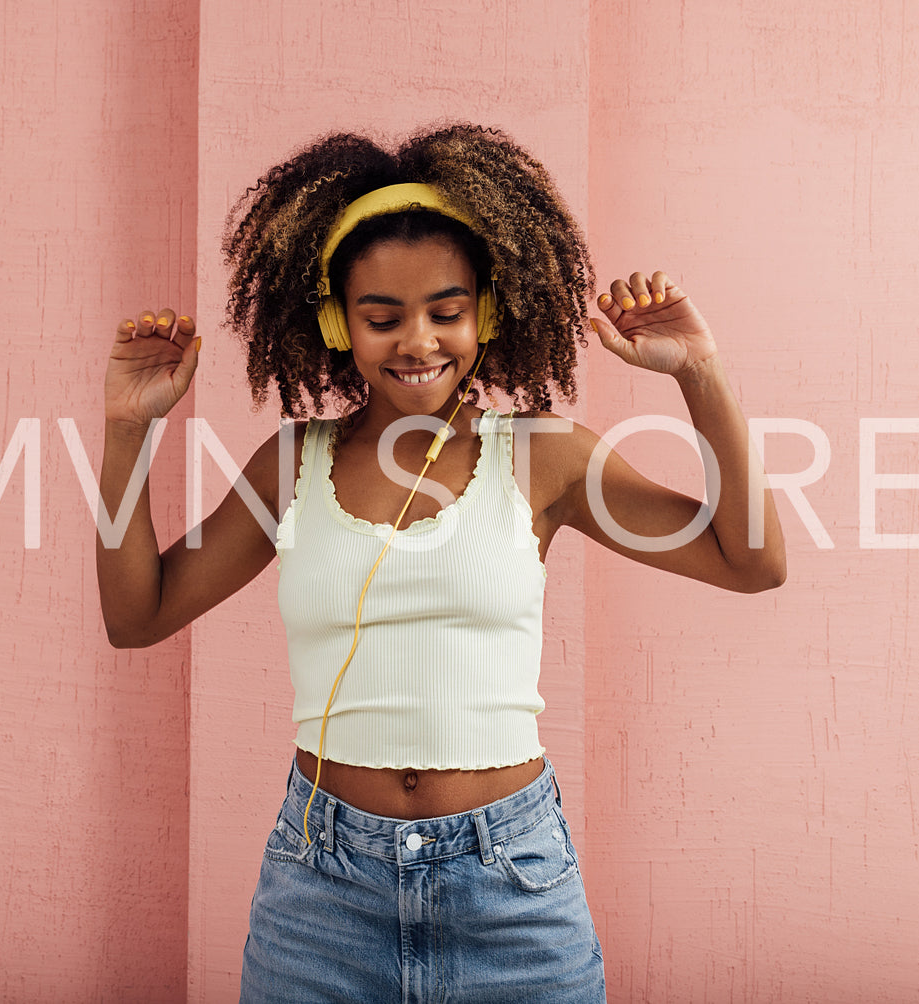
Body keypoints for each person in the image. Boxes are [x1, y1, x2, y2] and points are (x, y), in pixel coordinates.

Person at [96, 123, 786, 1003]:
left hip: (510, 887)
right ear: (337, 323)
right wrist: (128, 430)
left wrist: (698, 372)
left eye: (446, 312)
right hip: (321, 891)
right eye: (382, 317)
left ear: (488, 313)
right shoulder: (291, 463)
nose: (417, 341)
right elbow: (136, 616)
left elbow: (752, 562)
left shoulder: (543, 459)